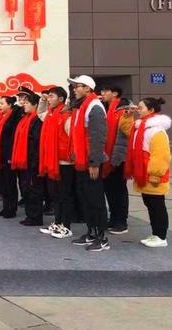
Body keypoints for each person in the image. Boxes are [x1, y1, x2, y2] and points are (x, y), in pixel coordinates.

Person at [120, 97, 172, 248]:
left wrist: (155, 174)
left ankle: (161, 236)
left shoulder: (156, 131)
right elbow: (125, 128)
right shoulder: (141, 127)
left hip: (153, 176)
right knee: (150, 204)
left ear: (151, 110)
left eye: (141, 107)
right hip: (144, 174)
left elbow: (161, 155)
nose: (138, 110)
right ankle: (156, 233)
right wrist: (128, 115)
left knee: (157, 206)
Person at [68, 75, 110, 252]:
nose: (74, 89)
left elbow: (97, 137)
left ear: (87, 88)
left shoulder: (94, 106)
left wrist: (94, 162)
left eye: (78, 86)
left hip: (91, 162)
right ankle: (91, 232)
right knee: (85, 199)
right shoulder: (81, 106)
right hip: (82, 161)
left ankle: (102, 238)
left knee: (95, 200)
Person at [39, 87, 75, 239]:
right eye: (48, 96)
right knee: (55, 194)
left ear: (61, 99)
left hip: (65, 162)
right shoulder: (51, 114)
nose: (49, 99)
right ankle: (58, 222)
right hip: (52, 160)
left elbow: (73, 139)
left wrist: (71, 156)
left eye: (51, 96)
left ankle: (66, 226)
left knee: (65, 195)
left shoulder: (67, 116)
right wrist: (42, 100)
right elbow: (40, 114)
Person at [100, 85, 130, 235]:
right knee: (110, 190)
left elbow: (127, 132)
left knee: (119, 191)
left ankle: (121, 222)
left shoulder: (123, 110)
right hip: (109, 155)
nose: (102, 94)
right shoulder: (108, 109)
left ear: (115, 93)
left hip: (118, 157)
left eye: (105, 91)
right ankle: (114, 218)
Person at [11, 93, 44, 226]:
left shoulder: (37, 121)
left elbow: (36, 144)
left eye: (27, 103)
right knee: (26, 189)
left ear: (35, 105)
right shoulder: (25, 119)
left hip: (32, 161)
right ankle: (30, 215)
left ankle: (36, 217)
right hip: (24, 160)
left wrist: (33, 162)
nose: (24, 105)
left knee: (34, 190)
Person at [0, 96, 23, 218]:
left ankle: (11, 209)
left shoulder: (13, 118)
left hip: (8, 155)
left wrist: (17, 106)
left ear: (10, 105)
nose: (0, 106)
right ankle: (5, 207)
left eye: (2, 103)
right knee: (3, 183)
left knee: (10, 183)